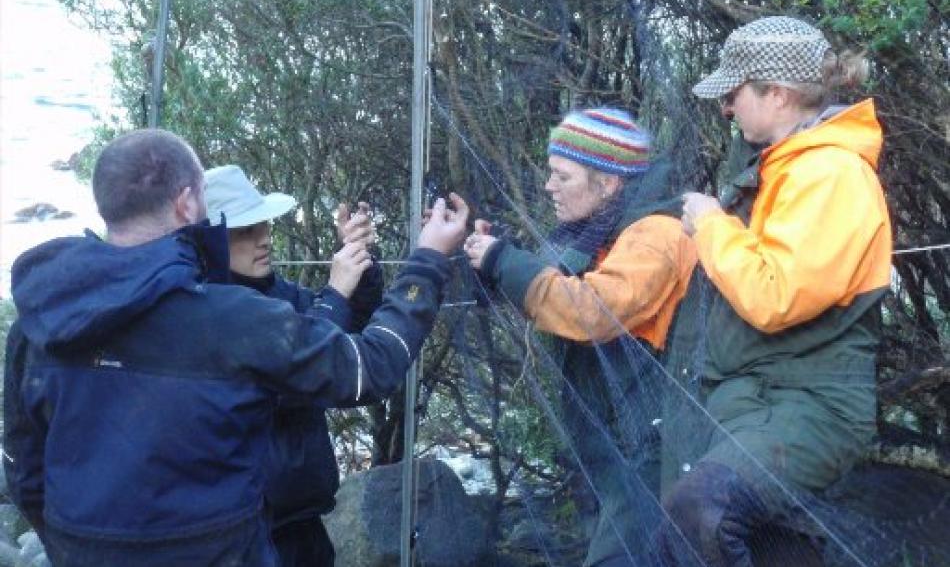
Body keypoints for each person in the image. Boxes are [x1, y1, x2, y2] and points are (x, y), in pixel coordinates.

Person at [3, 129, 468, 566]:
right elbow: (369, 368)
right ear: (187, 204)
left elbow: (25, 471)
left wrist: (75, 546)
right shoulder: (229, 319)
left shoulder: (38, 322)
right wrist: (427, 262)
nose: (259, 235)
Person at [663, 16, 892, 565]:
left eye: (735, 93)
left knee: (703, 511)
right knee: (776, 550)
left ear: (780, 94)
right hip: (758, 406)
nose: (725, 109)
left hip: (809, 408)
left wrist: (714, 224)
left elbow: (774, 296)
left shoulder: (832, 174)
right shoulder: (782, 170)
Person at [465, 108, 697, 567]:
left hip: (653, 451)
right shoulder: (597, 234)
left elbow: (590, 311)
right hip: (612, 452)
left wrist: (505, 262)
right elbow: (553, 293)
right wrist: (492, 263)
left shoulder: (657, 234)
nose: (549, 187)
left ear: (608, 183)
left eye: (561, 176)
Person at [203, 164, 383, 566]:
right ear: (212, 240)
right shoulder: (207, 309)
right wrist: (336, 290)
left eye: (264, 224)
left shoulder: (279, 293)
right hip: (247, 528)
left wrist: (361, 264)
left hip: (301, 514)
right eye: (246, 230)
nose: (264, 238)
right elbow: (297, 374)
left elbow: (351, 336)